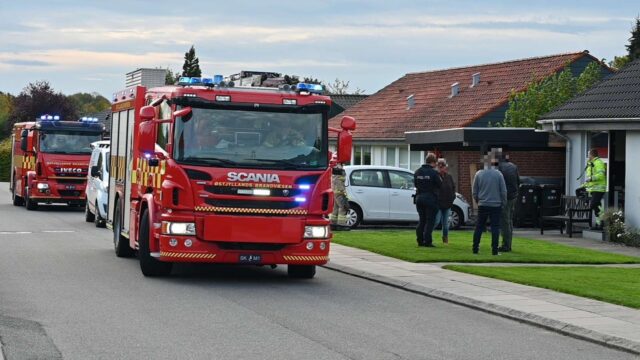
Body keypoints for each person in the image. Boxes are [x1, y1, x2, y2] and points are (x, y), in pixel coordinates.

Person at [472, 150, 507, 255]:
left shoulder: (478, 174)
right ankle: (495, 250)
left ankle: (475, 248)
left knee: (479, 226)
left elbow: (474, 191)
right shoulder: (499, 174)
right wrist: (503, 203)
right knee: (495, 227)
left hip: (483, 204)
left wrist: (478, 201)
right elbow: (503, 191)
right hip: (496, 205)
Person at [414, 152, 442, 247]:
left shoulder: (417, 172)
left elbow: (415, 184)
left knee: (422, 220)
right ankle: (427, 241)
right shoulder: (434, 173)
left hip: (419, 198)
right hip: (430, 199)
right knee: (430, 221)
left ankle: (420, 240)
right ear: (433, 162)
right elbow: (440, 185)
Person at [497, 150, 520, 252]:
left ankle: (506, 246)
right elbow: (518, 181)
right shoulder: (513, 166)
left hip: (505, 197)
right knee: (509, 221)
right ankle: (508, 244)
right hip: (514, 196)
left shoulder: (499, 168)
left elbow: (499, 184)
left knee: (505, 222)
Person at [581, 148, 607, 230]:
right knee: (596, 206)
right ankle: (599, 224)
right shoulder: (591, 163)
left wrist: (591, 178)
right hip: (593, 189)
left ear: (592, 155)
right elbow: (589, 178)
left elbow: (601, 175)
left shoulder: (598, 162)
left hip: (599, 189)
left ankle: (602, 221)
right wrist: (584, 185)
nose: (588, 156)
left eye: (588, 155)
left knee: (593, 205)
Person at [434, 158, 456, 244]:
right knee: (436, 221)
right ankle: (427, 236)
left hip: (447, 203)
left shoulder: (449, 177)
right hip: (438, 203)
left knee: (446, 224)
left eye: (443, 166)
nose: (441, 168)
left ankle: (445, 239)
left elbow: (453, 188)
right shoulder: (435, 176)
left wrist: (452, 197)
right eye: (439, 167)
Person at [330, 162, 350, 231]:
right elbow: (340, 185)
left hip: (335, 192)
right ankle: (341, 224)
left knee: (335, 208)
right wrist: (344, 193)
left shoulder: (334, 174)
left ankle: (333, 223)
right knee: (343, 207)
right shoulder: (339, 173)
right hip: (339, 193)